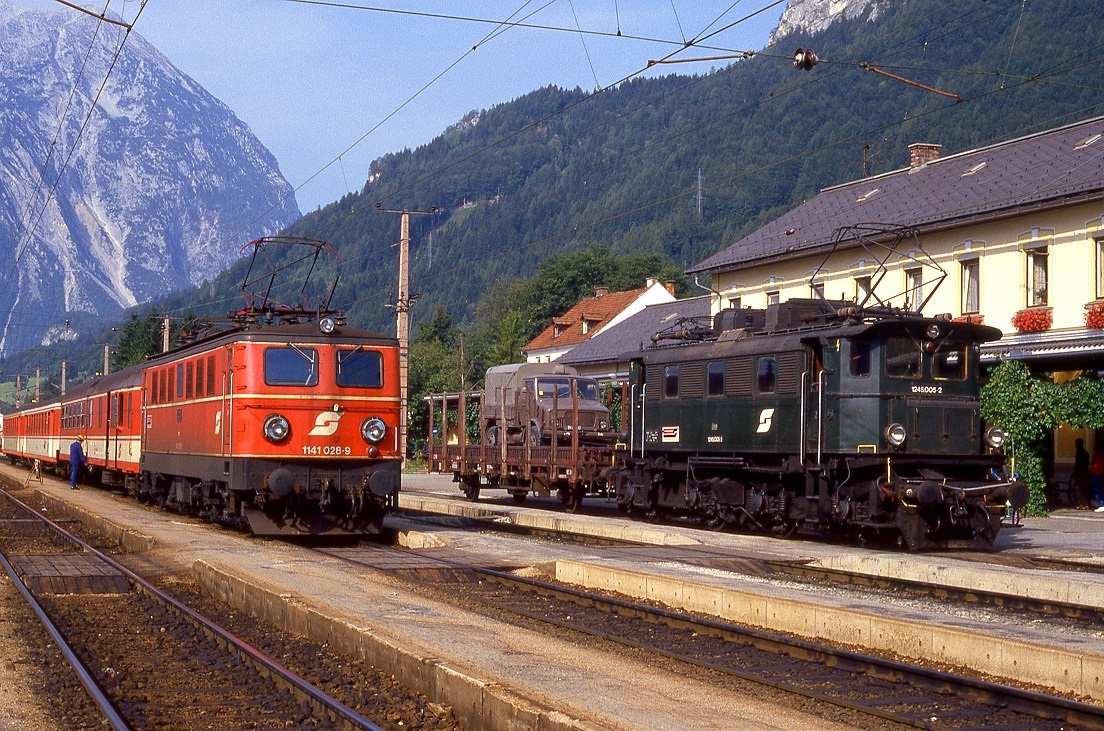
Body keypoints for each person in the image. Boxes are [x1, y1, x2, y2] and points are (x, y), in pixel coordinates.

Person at [1074, 438, 1091, 509]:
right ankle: (1084, 504)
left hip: (1080, 473)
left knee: (1080, 488)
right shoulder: (1085, 453)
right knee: (1082, 488)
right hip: (1084, 472)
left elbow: (1079, 464)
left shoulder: (1080, 452)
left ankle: (1083, 504)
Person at [1091, 447, 1104, 513]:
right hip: (1101, 473)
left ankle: (1102, 504)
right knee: (1102, 489)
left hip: (1098, 474)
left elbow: (1095, 465)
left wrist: (1095, 471)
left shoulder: (1097, 455)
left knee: (1096, 489)